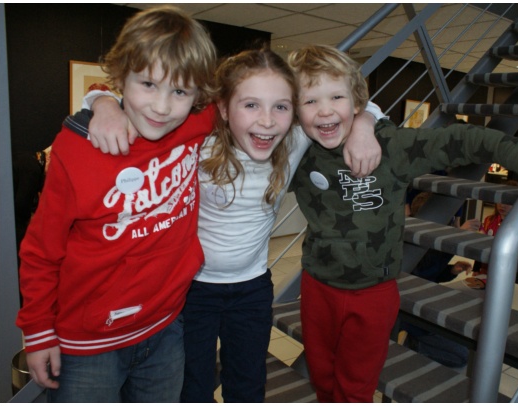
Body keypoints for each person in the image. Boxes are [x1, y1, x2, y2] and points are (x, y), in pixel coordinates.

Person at [70, 50, 385, 402]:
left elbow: (355, 105)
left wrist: (364, 124)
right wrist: (102, 103)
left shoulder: (293, 139)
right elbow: (144, 107)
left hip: (252, 289)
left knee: (248, 384)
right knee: (194, 386)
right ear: (223, 108)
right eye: (251, 105)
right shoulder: (199, 142)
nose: (267, 121)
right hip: (192, 289)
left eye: (280, 107)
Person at [285, 44, 518, 402]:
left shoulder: (390, 146)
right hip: (317, 288)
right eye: (310, 101)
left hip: (373, 294)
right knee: (323, 377)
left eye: (336, 97)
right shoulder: (297, 153)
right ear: (294, 110)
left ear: (356, 102)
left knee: (356, 387)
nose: (325, 110)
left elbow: (461, 139)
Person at [15, 6, 219, 402]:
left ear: (198, 96)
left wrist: (356, 123)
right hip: (88, 344)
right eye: (148, 84)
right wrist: (38, 331)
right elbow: (41, 251)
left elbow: (258, 91)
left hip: (165, 326)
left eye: (180, 91)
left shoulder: (196, 122)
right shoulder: (77, 149)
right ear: (122, 77)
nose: (162, 107)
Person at [399, 192, 479, 368]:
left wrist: (451, 270)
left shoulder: (426, 240)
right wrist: (457, 236)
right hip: (414, 313)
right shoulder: (414, 242)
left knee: (465, 343)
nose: (449, 225)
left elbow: (430, 273)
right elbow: (422, 273)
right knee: (461, 357)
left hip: (424, 306)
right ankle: (413, 344)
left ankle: (415, 340)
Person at [473, 180, 518, 284]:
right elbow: (482, 246)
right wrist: (476, 268)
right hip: (485, 271)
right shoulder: (489, 220)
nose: (502, 205)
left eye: (507, 202)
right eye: (499, 200)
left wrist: (514, 282)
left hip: (506, 274)